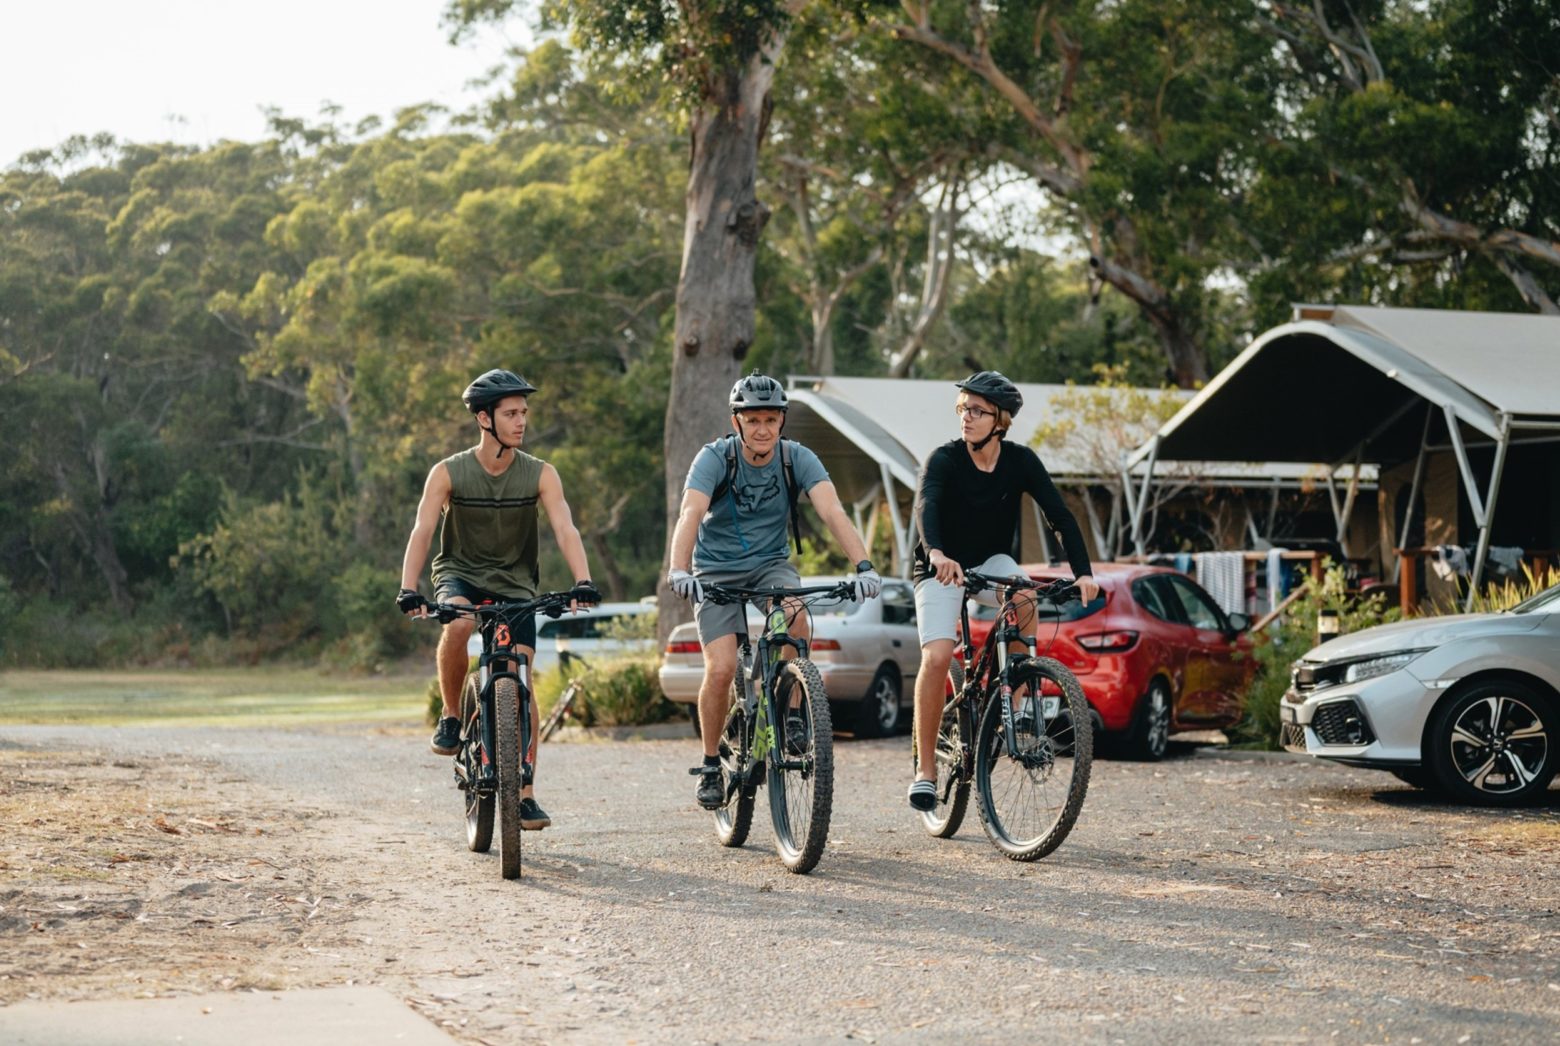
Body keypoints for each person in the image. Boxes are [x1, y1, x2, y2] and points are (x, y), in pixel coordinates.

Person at [666, 370, 882, 809]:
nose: (762, 428)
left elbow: (833, 511)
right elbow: (690, 513)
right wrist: (679, 568)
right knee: (722, 667)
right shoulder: (714, 458)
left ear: (782, 422)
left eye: (770, 419)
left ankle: (795, 709)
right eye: (753, 420)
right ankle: (711, 762)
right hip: (715, 572)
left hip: (771, 567)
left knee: (798, 616)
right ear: (737, 422)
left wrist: (864, 566)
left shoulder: (796, 458)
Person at [396, 368, 600, 831]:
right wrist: (410, 588)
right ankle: (451, 716)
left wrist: (583, 579)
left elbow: (565, 527)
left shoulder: (540, 474)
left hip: (516, 584)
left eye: (523, 413)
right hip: (460, 575)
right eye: (511, 413)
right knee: (461, 625)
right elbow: (423, 529)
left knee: (520, 674)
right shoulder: (449, 472)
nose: (521, 421)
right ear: (484, 418)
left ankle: (524, 792)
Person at [907, 370, 1100, 811]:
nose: (966, 417)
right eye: (962, 409)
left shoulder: (1020, 461)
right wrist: (936, 553)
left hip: (990, 562)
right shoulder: (944, 459)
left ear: (1001, 421)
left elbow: (1060, 517)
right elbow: (927, 506)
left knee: (1025, 593)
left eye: (977, 410)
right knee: (937, 656)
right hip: (939, 566)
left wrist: (1083, 571)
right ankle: (925, 772)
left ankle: (1008, 702)